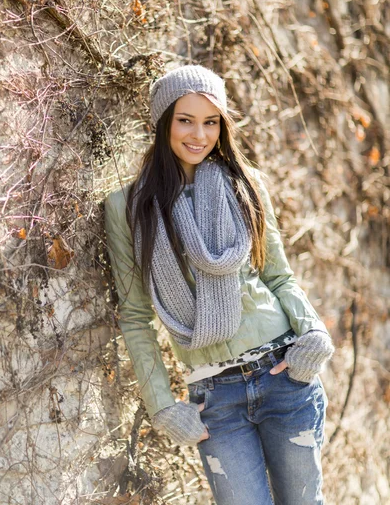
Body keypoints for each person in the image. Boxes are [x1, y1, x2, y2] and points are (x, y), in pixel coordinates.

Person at [105, 64, 335, 505]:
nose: (199, 134)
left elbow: (278, 276)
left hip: (283, 375)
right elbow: (135, 316)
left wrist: (313, 333)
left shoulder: (244, 184)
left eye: (211, 122)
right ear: (162, 123)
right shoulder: (127, 208)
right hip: (215, 399)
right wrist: (162, 405)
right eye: (185, 120)